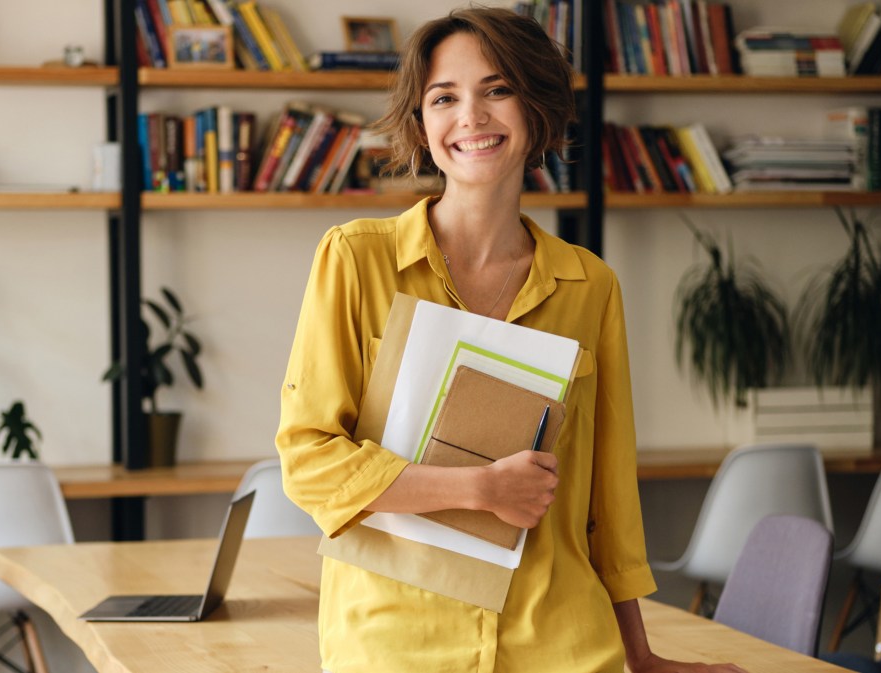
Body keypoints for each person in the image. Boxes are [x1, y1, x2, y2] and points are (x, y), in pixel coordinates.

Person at [276, 8, 748, 673]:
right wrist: (479, 489)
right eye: (444, 98)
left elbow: (607, 501)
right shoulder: (355, 259)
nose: (470, 116)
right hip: (395, 645)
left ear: (536, 108)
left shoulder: (590, 284)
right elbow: (309, 460)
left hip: (564, 643)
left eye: (496, 90)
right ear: (422, 126)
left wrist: (638, 654)